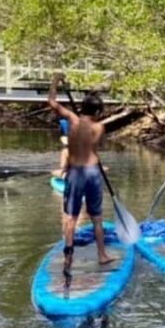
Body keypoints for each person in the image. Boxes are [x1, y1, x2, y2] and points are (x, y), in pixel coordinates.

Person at [47, 74, 112, 280]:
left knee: (71, 217)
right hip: (93, 171)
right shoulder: (99, 127)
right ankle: (102, 254)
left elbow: (51, 102)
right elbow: (98, 146)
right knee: (96, 217)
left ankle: (68, 256)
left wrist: (55, 82)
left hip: (75, 172)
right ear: (98, 111)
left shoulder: (72, 121)